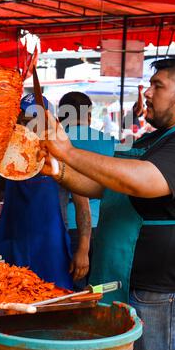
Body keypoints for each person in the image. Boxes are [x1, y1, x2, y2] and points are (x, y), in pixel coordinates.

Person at [39, 58, 175, 350]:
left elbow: (140, 181)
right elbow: (109, 187)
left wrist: (69, 153)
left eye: (157, 86)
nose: (147, 93)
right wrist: (59, 171)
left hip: (168, 291)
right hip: (129, 280)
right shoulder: (155, 140)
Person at [0, 93, 73, 290]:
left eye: (32, 120)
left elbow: (82, 205)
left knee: (54, 298)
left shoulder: (62, 154)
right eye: (21, 120)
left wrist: (83, 249)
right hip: (13, 242)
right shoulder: (10, 155)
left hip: (50, 248)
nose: (25, 126)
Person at [58, 91, 116, 289]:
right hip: (105, 226)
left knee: (71, 289)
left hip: (71, 226)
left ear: (61, 115)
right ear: (89, 115)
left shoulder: (58, 143)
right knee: (98, 289)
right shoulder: (110, 142)